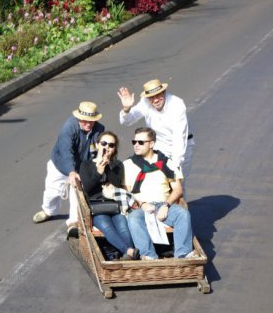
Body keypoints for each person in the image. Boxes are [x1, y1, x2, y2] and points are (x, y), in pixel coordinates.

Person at [122, 127, 199, 260]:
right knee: (134, 219)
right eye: (134, 142)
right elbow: (126, 191)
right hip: (140, 206)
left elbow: (178, 189)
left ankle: (183, 253)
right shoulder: (128, 164)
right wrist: (142, 204)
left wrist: (166, 205)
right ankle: (148, 255)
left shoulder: (165, 162)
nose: (136, 145)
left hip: (162, 205)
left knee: (183, 214)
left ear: (151, 144)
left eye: (141, 142)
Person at [32, 101, 105, 235]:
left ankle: (74, 222)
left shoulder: (99, 129)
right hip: (60, 165)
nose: (88, 124)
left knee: (77, 194)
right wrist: (71, 171)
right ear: (78, 118)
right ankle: (48, 211)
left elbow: (100, 149)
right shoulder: (69, 127)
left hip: (80, 167)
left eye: (91, 121)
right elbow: (66, 151)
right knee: (52, 192)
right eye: (84, 121)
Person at [117, 79, 195, 196]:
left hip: (181, 146)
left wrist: (175, 165)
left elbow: (179, 137)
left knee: (177, 183)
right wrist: (127, 109)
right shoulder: (145, 102)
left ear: (164, 92)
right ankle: (159, 210)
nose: (156, 100)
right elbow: (127, 121)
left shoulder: (177, 104)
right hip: (159, 146)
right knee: (156, 181)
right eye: (152, 97)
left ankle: (180, 212)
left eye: (158, 95)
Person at [79, 131, 139, 260]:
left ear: (114, 149)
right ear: (97, 145)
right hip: (97, 207)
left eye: (111, 145)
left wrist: (106, 166)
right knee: (107, 227)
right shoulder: (86, 165)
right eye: (104, 143)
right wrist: (98, 172)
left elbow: (117, 183)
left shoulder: (117, 165)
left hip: (115, 204)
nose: (107, 147)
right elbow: (88, 189)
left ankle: (127, 256)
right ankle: (129, 251)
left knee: (123, 227)